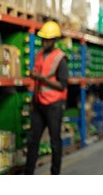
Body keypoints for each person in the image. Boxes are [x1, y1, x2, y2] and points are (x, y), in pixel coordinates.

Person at [25, 21, 69, 175]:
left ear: (55, 40)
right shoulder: (39, 55)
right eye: (43, 39)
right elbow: (37, 79)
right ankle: (28, 173)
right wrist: (33, 101)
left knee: (55, 142)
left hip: (54, 106)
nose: (45, 42)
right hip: (38, 104)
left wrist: (42, 78)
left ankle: (55, 174)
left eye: (48, 39)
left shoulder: (60, 59)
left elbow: (62, 85)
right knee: (32, 140)